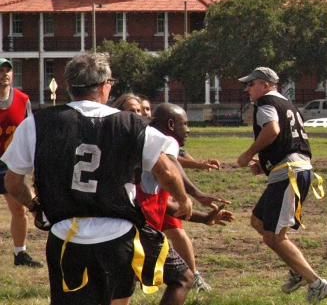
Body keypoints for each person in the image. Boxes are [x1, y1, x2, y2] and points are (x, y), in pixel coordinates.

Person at [1, 52, 194, 305]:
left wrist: (36, 208)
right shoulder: (131, 123)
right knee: (179, 279)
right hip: (118, 234)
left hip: (64, 234)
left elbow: (13, 183)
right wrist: (184, 199)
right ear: (104, 86)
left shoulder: (37, 123)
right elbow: (167, 172)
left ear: (69, 86)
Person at [236, 66, 327, 304]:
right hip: (289, 169)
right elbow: (289, 140)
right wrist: (267, 164)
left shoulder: (264, 103)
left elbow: (272, 130)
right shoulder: (288, 104)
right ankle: (297, 270)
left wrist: (249, 154)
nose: (247, 88)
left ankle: (316, 283)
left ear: (266, 85)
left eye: (252, 83)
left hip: (289, 173)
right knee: (258, 222)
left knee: (273, 237)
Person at [138, 102, 234, 292]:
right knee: (182, 279)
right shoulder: (166, 140)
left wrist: (205, 218)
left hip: (125, 224)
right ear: (171, 124)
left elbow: (166, 206)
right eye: (186, 124)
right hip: (138, 228)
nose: (188, 130)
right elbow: (171, 162)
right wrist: (195, 193)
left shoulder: (142, 144)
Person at [0, 58, 42, 268]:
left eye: (7, 70)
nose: (4, 74)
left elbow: (29, 133)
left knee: (20, 209)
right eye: (0, 70)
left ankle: (20, 254)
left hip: (10, 163)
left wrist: (34, 164)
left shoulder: (23, 99)